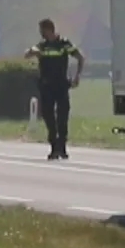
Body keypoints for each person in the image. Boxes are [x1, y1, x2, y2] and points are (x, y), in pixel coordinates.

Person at [25, 18, 85, 161]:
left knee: (62, 116)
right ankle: (54, 146)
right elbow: (28, 53)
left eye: (42, 31)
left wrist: (77, 76)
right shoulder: (43, 46)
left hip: (61, 85)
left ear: (48, 30)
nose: (41, 34)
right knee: (48, 116)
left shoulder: (63, 44)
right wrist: (32, 51)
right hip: (47, 86)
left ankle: (62, 147)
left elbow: (80, 57)